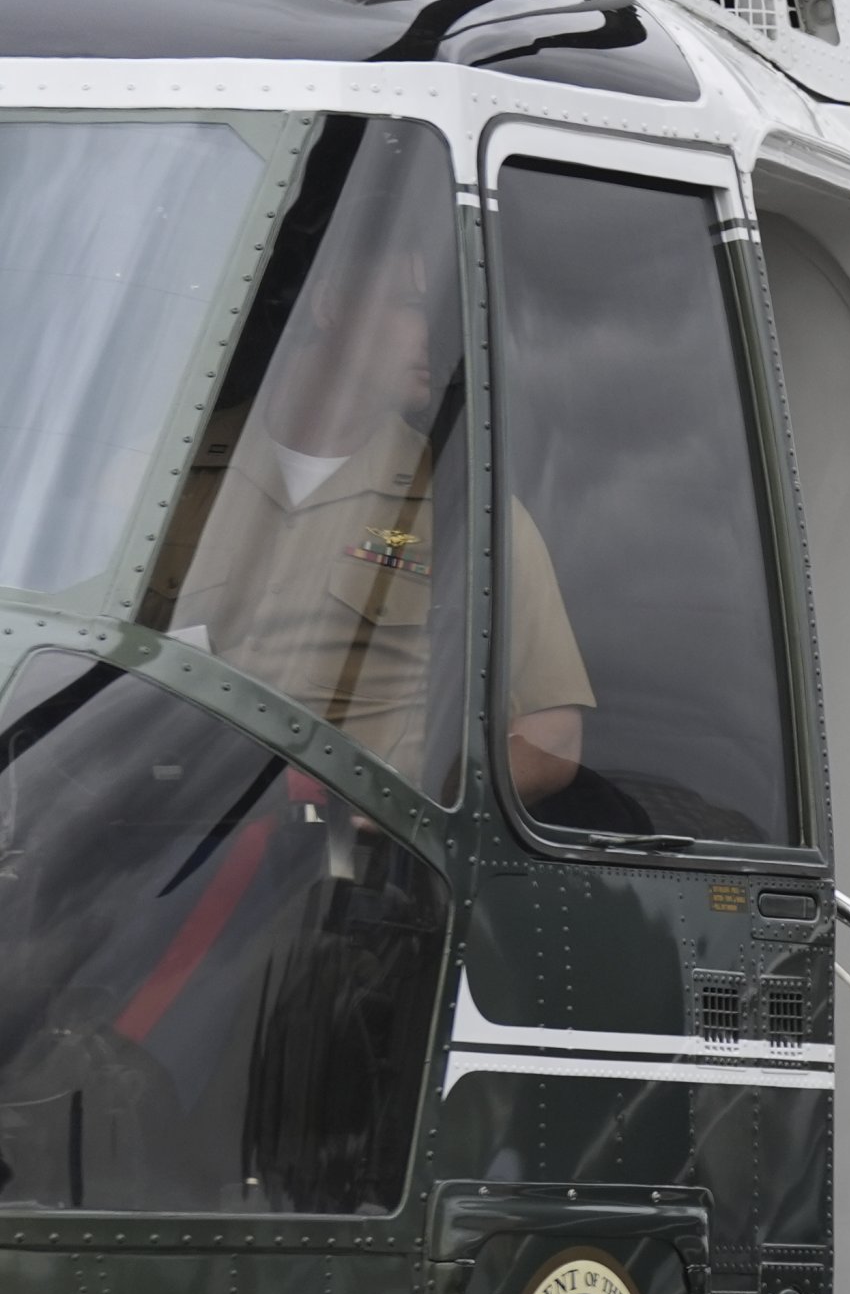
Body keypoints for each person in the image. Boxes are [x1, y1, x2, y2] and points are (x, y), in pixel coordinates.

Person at [163, 132, 592, 803]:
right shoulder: (158, 478)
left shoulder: (466, 509)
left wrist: (409, 811)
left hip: (338, 882)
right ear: (331, 304)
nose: (437, 335)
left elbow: (551, 737)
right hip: (141, 844)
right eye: (412, 309)